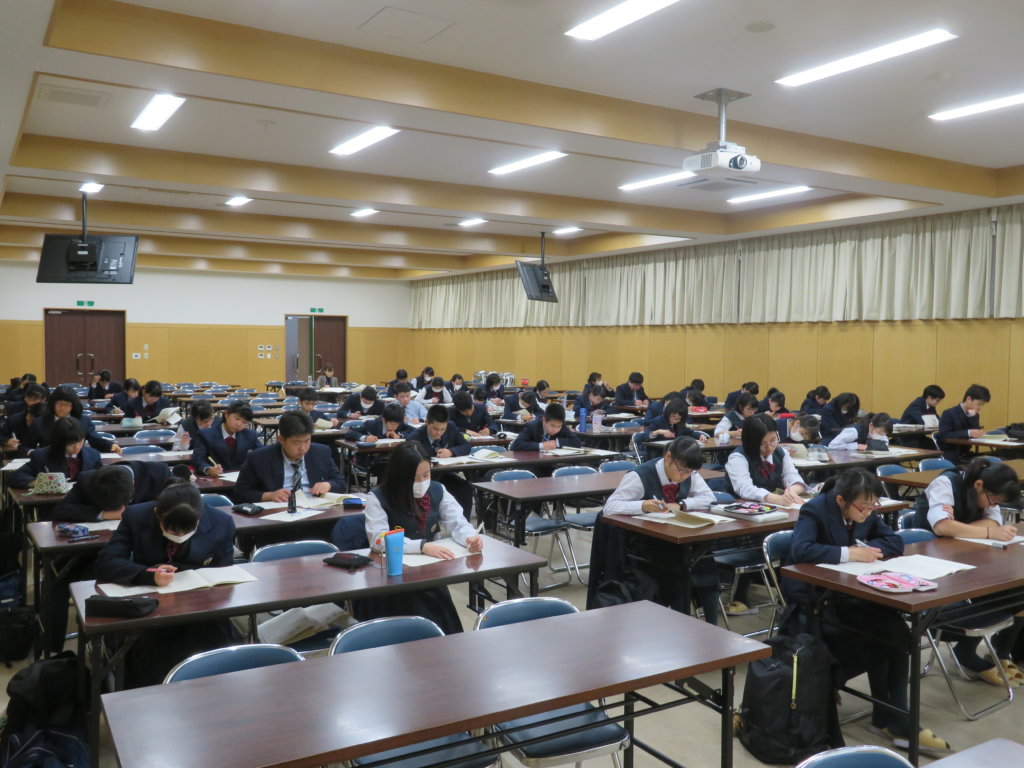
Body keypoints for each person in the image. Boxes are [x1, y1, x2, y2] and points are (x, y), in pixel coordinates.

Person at [785, 468, 951, 757]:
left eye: (873, 505)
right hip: (818, 599)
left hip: (856, 592)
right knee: (887, 633)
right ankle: (893, 719)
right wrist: (850, 553)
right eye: (863, 506)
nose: (869, 511)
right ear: (841, 500)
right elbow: (801, 550)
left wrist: (867, 548)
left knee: (896, 631)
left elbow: (894, 541)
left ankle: (892, 717)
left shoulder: (865, 507)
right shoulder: (815, 510)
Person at [96, 480, 238, 687]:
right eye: (172, 530)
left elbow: (224, 571)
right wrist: (147, 575)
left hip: (200, 607)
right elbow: (106, 562)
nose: (179, 537)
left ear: (199, 518)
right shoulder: (136, 516)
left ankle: (213, 689)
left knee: (218, 639)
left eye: (186, 531)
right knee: (151, 650)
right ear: (157, 514)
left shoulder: (220, 522)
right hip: (149, 606)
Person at [914, 457, 1024, 684]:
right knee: (997, 593)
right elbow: (941, 526)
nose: (992, 506)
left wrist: (958, 528)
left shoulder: (987, 492)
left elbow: (993, 523)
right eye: (993, 500)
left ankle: (1002, 651)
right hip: (933, 566)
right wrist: (983, 532)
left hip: (970, 560)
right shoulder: (945, 483)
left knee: (1019, 592)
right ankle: (966, 652)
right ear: (979, 485)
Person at [361, 442, 483, 634]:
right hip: (393, 579)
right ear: (399, 476)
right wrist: (421, 546)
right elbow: (378, 539)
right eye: (415, 478)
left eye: (426, 475)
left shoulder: (437, 490)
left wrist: (470, 538)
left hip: (429, 573)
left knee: (442, 620)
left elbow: (457, 522)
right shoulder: (378, 497)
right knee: (415, 618)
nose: (422, 482)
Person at [604, 437, 720, 624]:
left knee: (705, 561)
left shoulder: (689, 471)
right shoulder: (640, 476)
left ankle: (709, 622)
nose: (684, 476)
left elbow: (709, 497)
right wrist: (642, 506)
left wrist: (682, 504)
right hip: (645, 546)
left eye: (689, 472)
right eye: (681, 470)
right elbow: (609, 507)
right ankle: (675, 619)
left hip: (678, 539)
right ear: (668, 457)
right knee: (680, 568)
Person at [234, 411, 347, 502]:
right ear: (281, 439)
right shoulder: (259, 458)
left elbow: (341, 482)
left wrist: (328, 484)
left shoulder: (321, 452)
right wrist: (268, 496)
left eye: (307, 441)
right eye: (296, 443)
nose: (303, 448)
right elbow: (239, 493)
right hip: (279, 513)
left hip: (316, 510)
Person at [724, 414, 806, 506]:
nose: (769, 447)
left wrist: (792, 492)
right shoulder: (738, 457)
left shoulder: (781, 453)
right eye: (762, 444)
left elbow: (793, 477)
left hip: (774, 506)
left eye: (773, 440)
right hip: (743, 508)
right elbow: (744, 488)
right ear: (750, 442)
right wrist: (775, 498)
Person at [408, 404, 473, 517]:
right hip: (424, 479)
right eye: (435, 429)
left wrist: (451, 452)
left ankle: (465, 523)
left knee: (465, 487)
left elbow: (466, 446)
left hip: (445, 474)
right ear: (427, 422)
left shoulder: (451, 427)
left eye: (443, 429)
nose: (439, 433)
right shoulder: (414, 438)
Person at [53, 461, 173, 522]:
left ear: (133, 483)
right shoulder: (87, 480)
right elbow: (61, 510)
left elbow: (175, 505)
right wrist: (104, 514)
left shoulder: (159, 474)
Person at [8, 417, 102, 488]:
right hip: (53, 503)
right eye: (70, 444)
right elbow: (14, 477)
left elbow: (102, 479)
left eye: (80, 441)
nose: (77, 447)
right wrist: (37, 483)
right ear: (59, 441)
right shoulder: (41, 456)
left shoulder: (93, 455)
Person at [25, 385, 122, 454]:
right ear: (53, 403)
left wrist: (110, 445)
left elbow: (95, 440)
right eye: (59, 404)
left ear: (73, 405)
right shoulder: (39, 422)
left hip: (77, 462)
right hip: (49, 462)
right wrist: (32, 452)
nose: (62, 408)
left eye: (67, 405)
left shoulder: (83, 421)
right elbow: (26, 446)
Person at [192, 401, 259, 477]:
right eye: (237, 419)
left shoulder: (250, 435)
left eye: (244, 422)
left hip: (242, 478)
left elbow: (262, 453)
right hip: (215, 479)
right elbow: (198, 459)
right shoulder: (205, 434)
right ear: (226, 414)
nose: (239, 424)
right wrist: (208, 469)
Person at [640, 399, 708, 459]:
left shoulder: (680, 423)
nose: (674, 420)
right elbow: (643, 436)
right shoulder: (658, 421)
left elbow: (689, 432)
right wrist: (658, 432)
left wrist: (700, 435)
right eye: (672, 417)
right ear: (668, 413)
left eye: (678, 419)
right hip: (658, 454)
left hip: (676, 453)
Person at [937, 384, 989, 463]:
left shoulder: (975, 415)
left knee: (987, 461)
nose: (980, 408)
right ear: (969, 399)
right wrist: (968, 433)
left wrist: (973, 417)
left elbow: (976, 433)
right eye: (979, 404)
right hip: (951, 452)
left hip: (966, 453)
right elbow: (944, 435)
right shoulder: (949, 413)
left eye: (983, 405)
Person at [510, 403, 581, 451]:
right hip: (534, 462)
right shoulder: (532, 426)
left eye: (558, 426)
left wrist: (556, 442)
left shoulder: (562, 425)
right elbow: (516, 445)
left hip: (553, 461)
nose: (555, 430)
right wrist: (542, 446)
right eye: (552, 426)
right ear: (544, 420)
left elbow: (576, 442)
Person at [0, 382, 47, 452]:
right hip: (20, 453)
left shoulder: (50, 417)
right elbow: (1, 435)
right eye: (29, 399)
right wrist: (6, 441)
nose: (31, 403)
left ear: (44, 399)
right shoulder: (15, 418)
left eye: (35, 400)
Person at [827, 412, 892, 451]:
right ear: (871, 426)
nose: (881, 436)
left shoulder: (879, 432)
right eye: (879, 433)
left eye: (883, 434)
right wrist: (857, 446)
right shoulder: (853, 431)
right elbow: (832, 446)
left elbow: (885, 442)